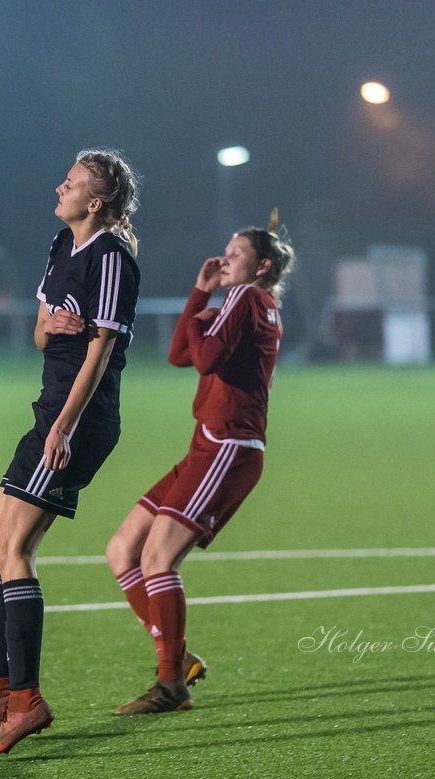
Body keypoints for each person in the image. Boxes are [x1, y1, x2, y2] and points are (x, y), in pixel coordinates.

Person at [0, 149, 141, 760]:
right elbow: (42, 330)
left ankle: (26, 702)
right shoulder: (61, 244)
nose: (60, 186)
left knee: (15, 549)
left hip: (80, 420)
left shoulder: (111, 257)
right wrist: (51, 326)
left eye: (72, 183)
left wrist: (67, 427)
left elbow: (101, 350)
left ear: (96, 202)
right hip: (49, 412)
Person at [104, 211, 295, 715]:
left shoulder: (249, 298)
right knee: (123, 550)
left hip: (229, 447)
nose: (224, 258)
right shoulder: (241, 300)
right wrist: (200, 294)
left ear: (262, 267)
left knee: (157, 559)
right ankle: (178, 657)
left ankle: (170, 685)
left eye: (236, 254)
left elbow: (205, 359)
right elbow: (178, 355)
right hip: (207, 446)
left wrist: (211, 308)